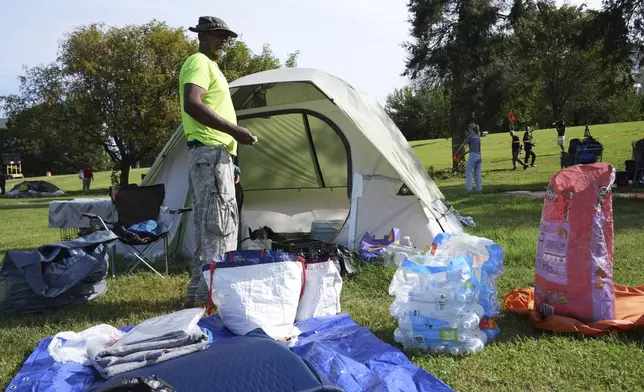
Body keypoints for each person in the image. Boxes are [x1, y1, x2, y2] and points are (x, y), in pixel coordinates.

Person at [180, 16, 257, 308]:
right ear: (202, 36)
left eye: (227, 36)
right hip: (210, 152)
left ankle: (198, 296)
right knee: (218, 228)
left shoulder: (211, 67)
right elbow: (193, 103)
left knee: (208, 227)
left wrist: (232, 161)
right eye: (218, 34)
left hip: (216, 155)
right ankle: (211, 300)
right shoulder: (198, 62)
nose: (224, 40)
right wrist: (235, 131)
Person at [457, 123, 483, 192]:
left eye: (469, 129)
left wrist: (457, 152)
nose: (468, 131)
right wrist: (463, 154)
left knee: (468, 172)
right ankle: (479, 189)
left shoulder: (470, 137)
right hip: (479, 156)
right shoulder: (478, 137)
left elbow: (462, 146)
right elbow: (473, 149)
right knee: (477, 173)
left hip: (473, 156)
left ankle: (469, 189)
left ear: (471, 129)